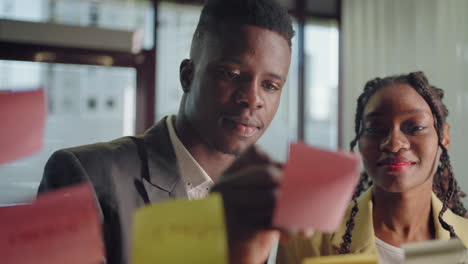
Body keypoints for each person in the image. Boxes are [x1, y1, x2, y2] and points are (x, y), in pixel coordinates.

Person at [37, 1, 294, 264]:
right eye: (231, 73)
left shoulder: (261, 198)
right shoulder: (84, 176)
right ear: (187, 76)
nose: (252, 98)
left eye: (270, 85)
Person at [275, 72, 468, 263]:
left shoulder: (464, 238)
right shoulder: (307, 238)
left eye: (415, 127)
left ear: (444, 137)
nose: (393, 144)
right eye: (375, 128)